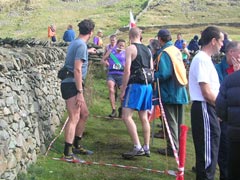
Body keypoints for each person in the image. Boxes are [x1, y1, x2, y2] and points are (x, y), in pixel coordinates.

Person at [189, 26, 224, 180]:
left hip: (208, 108)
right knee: (207, 158)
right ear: (213, 41)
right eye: (221, 41)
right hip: (204, 107)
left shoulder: (205, 59)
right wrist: (222, 109)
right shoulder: (202, 59)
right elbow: (207, 92)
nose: (223, 44)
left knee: (210, 152)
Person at [60, 19, 96, 161]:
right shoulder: (81, 45)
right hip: (72, 84)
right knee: (74, 117)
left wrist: (88, 51)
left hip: (70, 83)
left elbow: (77, 55)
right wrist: (80, 92)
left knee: (84, 114)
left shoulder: (77, 43)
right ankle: (67, 153)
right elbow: (77, 68)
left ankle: (76, 145)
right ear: (91, 32)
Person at [154, 29, 188, 156]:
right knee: (180, 121)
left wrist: (153, 75)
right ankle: (180, 147)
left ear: (160, 39)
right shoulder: (175, 50)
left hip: (169, 90)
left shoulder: (164, 52)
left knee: (171, 121)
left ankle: (173, 148)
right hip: (180, 89)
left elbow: (164, 73)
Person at [120, 27, 153, 159]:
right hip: (147, 86)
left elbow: (127, 70)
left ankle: (137, 146)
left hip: (135, 86)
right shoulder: (148, 50)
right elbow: (151, 69)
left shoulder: (130, 49)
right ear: (140, 36)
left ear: (130, 36)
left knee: (126, 116)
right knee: (144, 117)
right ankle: (146, 146)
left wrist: (123, 89)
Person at [215, 41, 240, 180]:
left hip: (233, 128)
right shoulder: (220, 70)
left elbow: (221, 107)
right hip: (230, 128)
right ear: (231, 53)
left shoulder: (231, 79)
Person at [101, 39, 126, 117]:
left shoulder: (125, 53)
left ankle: (121, 108)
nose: (121, 47)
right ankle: (113, 110)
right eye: (120, 45)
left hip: (121, 74)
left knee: (123, 91)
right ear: (116, 45)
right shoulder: (111, 52)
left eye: (123, 46)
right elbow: (102, 60)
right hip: (111, 73)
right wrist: (106, 63)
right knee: (111, 89)